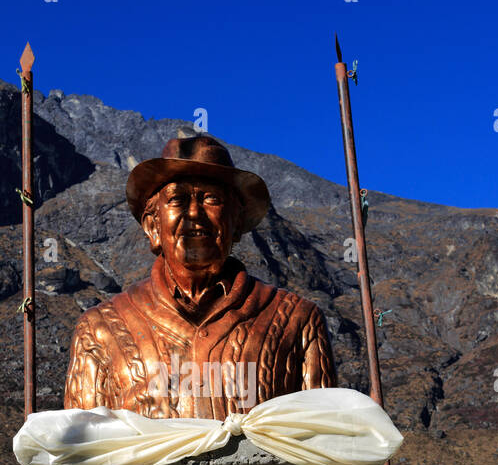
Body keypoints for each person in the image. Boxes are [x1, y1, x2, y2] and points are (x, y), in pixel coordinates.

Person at [63, 135, 336, 419]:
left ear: (237, 221)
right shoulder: (99, 330)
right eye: (177, 199)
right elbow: (80, 451)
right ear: (152, 226)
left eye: (211, 199)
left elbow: (324, 443)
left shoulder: (298, 321)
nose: (194, 213)